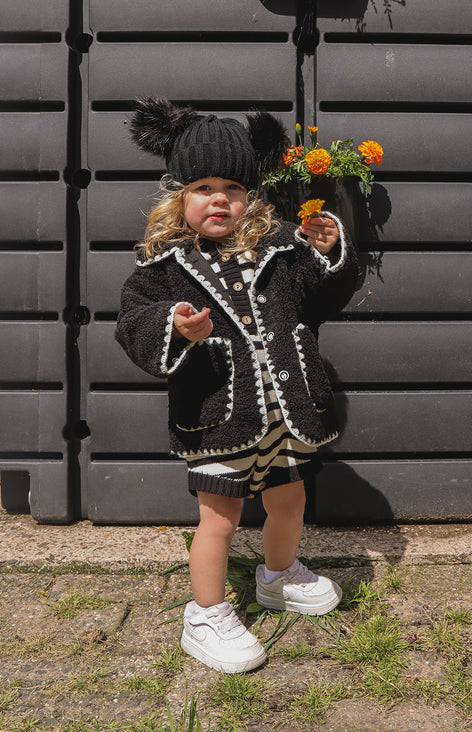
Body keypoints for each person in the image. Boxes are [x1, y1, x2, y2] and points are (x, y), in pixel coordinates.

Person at [115, 97, 358, 673]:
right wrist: (172, 325)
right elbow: (131, 321)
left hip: (284, 412)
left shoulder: (280, 252)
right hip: (219, 414)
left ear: (251, 196)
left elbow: (324, 299)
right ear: (179, 197)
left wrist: (326, 253)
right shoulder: (163, 266)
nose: (218, 198)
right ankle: (206, 614)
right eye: (202, 187)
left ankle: (277, 578)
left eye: (232, 187)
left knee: (290, 501)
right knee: (218, 520)